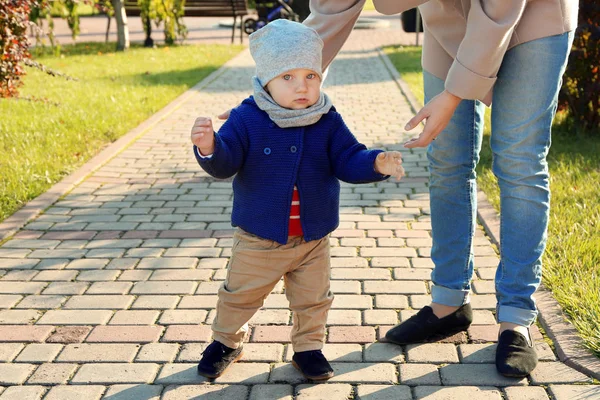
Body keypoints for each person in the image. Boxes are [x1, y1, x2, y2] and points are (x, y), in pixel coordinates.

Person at [304, 0, 577, 378]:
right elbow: (333, 10)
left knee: (519, 162)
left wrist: (453, 94)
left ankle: (515, 317)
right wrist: (271, 89)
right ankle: (449, 304)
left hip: (534, 17)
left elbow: (502, 8)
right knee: (447, 162)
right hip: (449, 21)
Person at [190, 19, 405, 381]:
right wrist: (209, 147)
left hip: (312, 238)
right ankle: (226, 341)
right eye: (287, 77)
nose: (302, 86)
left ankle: (308, 348)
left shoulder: (326, 119)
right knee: (239, 295)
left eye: (311, 76)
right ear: (266, 80)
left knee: (313, 300)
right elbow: (225, 163)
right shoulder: (246, 118)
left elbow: (348, 158)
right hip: (258, 237)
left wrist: (376, 162)